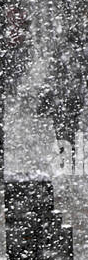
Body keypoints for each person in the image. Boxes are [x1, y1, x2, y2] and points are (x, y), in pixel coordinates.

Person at [49, 27, 84, 172]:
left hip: (66, 97)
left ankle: (66, 156)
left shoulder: (61, 55)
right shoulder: (79, 56)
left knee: (65, 127)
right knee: (71, 126)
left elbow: (54, 75)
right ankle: (70, 156)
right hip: (72, 96)